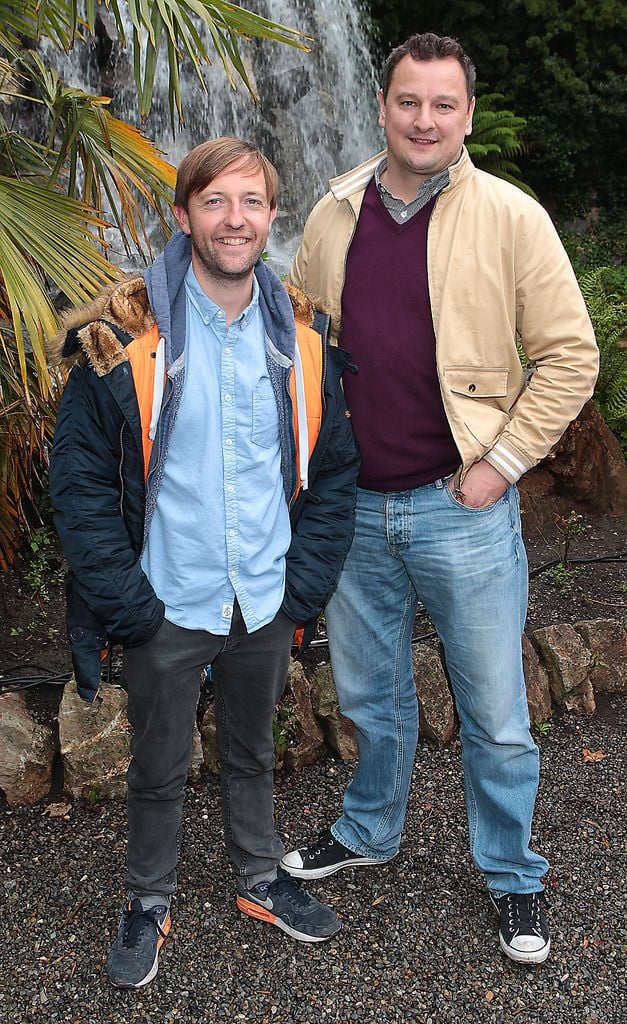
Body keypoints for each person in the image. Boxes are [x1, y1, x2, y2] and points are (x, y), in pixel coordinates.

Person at [280, 33, 599, 965]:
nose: (424, 121)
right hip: (352, 509)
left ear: (465, 113)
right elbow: (299, 348)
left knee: (496, 712)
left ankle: (512, 876)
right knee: (369, 697)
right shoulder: (334, 211)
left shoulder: (511, 217)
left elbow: (570, 355)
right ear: (381, 106)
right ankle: (369, 830)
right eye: (408, 102)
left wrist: (500, 463)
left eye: (443, 105)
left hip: (457, 505)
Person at [49, 136, 360, 989]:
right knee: (158, 762)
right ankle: (148, 900)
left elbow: (332, 472)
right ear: (183, 215)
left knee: (255, 748)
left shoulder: (303, 342)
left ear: (271, 217)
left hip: (262, 596)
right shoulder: (123, 341)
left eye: (251, 202)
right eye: (215, 202)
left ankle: (260, 879)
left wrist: (299, 592)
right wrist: (131, 607)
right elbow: (78, 486)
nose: (235, 220)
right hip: (166, 598)